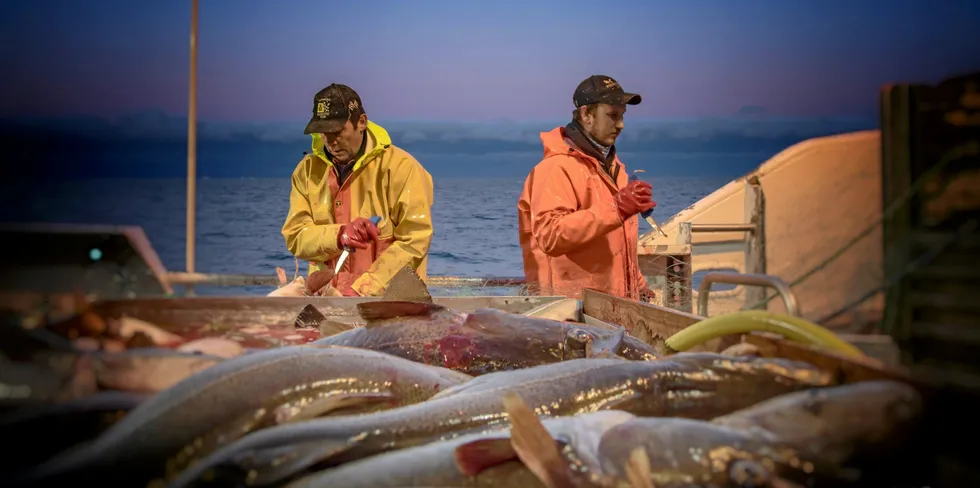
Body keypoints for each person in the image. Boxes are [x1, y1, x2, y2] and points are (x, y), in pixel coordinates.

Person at [282, 83, 434, 297]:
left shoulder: (403, 168)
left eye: (337, 131)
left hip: (387, 307)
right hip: (325, 302)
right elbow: (296, 236)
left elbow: (415, 240)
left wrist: (364, 289)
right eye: (322, 132)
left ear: (361, 122)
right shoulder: (305, 172)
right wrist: (339, 235)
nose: (331, 141)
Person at [517, 75, 656, 301]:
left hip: (610, 310)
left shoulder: (616, 169)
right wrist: (617, 209)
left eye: (622, 116)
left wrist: (639, 287)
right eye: (612, 115)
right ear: (586, 115)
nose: (620, 125)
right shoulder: (555, 168)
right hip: (569, 316)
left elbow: (617, 244)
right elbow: (550, 236)